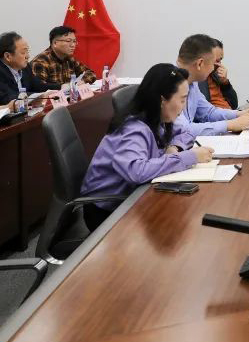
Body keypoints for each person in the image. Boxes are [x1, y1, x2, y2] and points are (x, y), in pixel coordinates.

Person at [79, 63, 214, 231]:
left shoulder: (158, 117)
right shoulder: (133, 129)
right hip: (107, 209)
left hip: (134, 196)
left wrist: (174, 148)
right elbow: (137, 171)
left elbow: (186, 132)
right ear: (162, 100)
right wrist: (190, 156)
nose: (184, 106)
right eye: (182, 99)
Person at [175, 34, 249, 136]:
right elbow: (182, 130)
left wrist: (239, 114)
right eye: (213, 63)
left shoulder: (192, 82)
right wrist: (230, 125)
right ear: (200, 64)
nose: (214, 68)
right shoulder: (170, 84)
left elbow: (208, 112)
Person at [0, 31, 61, 100]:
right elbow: (10, 96)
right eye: (23, 52)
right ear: (8, 56)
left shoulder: (25, 67)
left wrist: (61, 87)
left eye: (27, 51)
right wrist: (40, 96)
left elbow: (39, 86)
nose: (28, 56)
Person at [30, 26, 96, 86]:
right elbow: (39, 88)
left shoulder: (69, 58)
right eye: (68, 41)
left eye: (74, 41)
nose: (73, 45)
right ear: (55, 43)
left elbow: (90, 73)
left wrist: (82, 81)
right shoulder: (40, 62)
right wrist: (65, 87)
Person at [197, 38, 238, 110]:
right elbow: (204, 111)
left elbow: (234, 104)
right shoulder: (195, 79)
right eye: (217, 60)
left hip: (230, 113)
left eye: (220, 60)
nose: (219, 64)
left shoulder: (215, 75)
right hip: (218, 116)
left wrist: (225, 83)